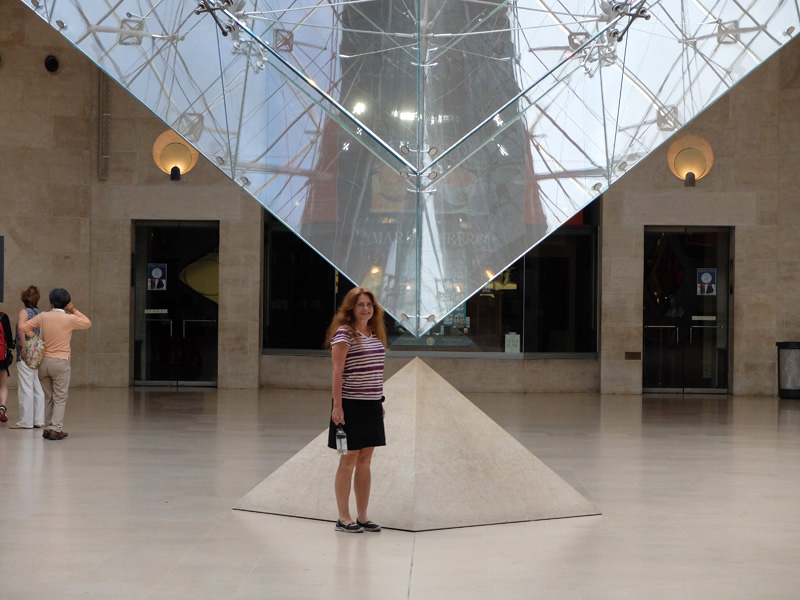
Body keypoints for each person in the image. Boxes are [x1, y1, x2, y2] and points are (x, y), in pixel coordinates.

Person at [325, 287, 387, 533]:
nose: (365, 309)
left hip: (372, 404)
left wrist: (379, 401)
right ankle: (343, 518)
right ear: (351, 307)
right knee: (349, 458)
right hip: (350, 404)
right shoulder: (344, 333)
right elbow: (337, 372)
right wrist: (338, 406)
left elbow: (375, 371)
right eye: (360, 304)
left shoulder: (374, 333)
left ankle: (362, 516)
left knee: (365, 460)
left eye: (369, 304)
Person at [19, 288, 91, 441]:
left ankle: (47, 428)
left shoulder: (44, 316)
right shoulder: (70, 318)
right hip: (61, 362)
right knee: (60, 397)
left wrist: (37, 339)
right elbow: (87, 323)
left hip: (43, 362)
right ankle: (55, 429)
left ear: (51, 303)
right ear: (67, 304)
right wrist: (73, 310)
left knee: (49, 397)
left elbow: (23, 327)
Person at [9, 285, 46, 429]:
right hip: (37, 353)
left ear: (24, 298)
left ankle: (26, 421)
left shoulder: (24, 312)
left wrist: (24, 346)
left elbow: (21, 328)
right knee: (37, 386)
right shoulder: (40, 312)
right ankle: (39, 420)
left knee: (26, 387)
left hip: (26, 353)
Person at [0, 310, 13, 423]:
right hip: (1, 357)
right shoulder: (3, 317)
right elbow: (9, 338)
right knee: (3, 385)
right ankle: (2, 406)